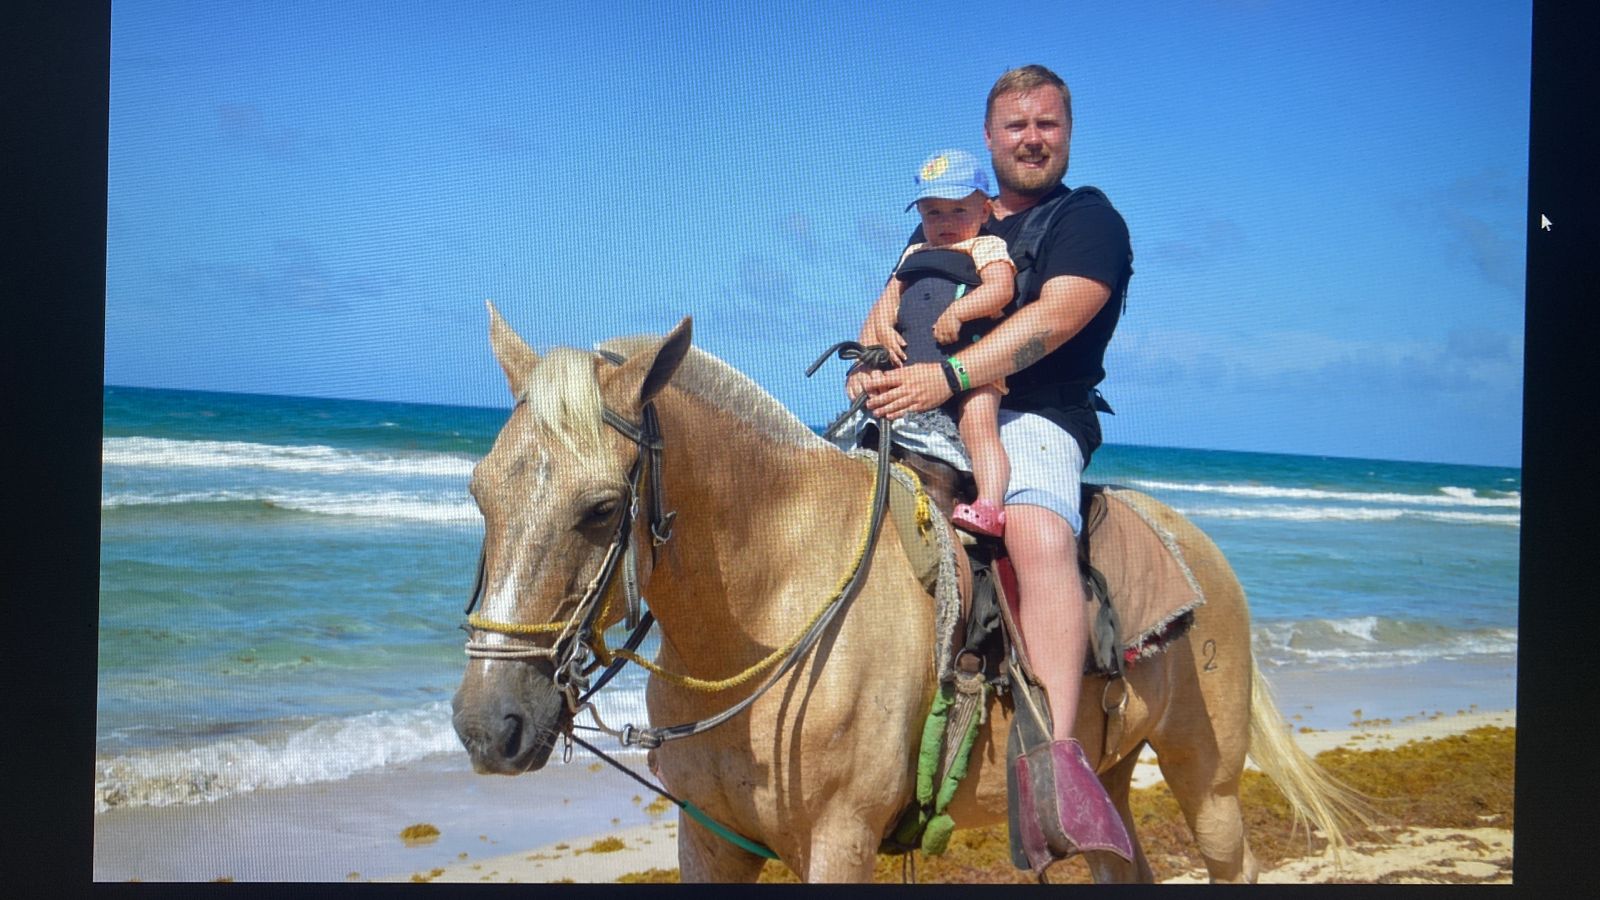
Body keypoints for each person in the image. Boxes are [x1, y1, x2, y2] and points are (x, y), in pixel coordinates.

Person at [858, 65, 1135, 861]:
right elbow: (891, 305)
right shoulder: (944, 221)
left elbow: (1055, 318)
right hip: (924, 402)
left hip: (1036, 415)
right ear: (989, 138)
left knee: (1039, 533)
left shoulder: (1087, 221)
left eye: (1047, 124)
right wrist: (867, 358)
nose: (1032, 138)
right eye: (1016, 125)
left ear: (1068, 132)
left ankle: (1057, 758)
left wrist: (948, 375)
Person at [854, 148, 1015, 536]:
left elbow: (1001, 289)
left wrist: (961, 312)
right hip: (911, 369)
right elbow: (888, 298)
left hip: (971, 371)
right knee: (870, 419)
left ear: (984, 211)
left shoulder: (985, 247)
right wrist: (881, 331)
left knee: (979, 425)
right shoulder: (915, 253)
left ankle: (990, 504)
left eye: (959, 210)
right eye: (933, 213)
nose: (945, 222)